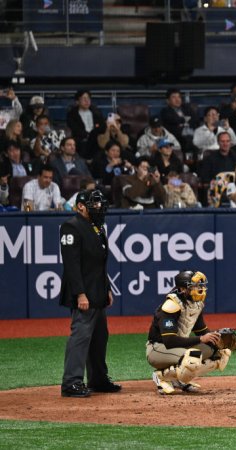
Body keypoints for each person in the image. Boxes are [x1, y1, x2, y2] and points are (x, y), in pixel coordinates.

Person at [59, 189, 121, 397]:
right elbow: (72, 265)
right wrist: (79, 294)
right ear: (80, 206)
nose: (99, 207)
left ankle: (98, 379)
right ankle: (71, 382)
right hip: (84, 293)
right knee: (81, 336)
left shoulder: (97, 228)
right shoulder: (71, 227)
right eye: (94, 204)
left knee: (99, 336)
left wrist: (107, 289)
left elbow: (100, 264)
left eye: (100, 203)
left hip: (98, 292)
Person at [147, 270, 231, 395]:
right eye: (195, 286)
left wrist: (217, 338)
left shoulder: (195, 304)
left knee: (218, 352)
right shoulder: (171, 306)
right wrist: (201, 339)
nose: (200, 289)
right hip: (158, 349)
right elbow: (169, 341)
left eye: (201, 285)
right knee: (192, 358)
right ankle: (161, 376)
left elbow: (201, 331)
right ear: (182, 289)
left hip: (178, 347)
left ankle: (178, 380)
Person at [66, 90, 105, 160]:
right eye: (84, 99)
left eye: (88, 98)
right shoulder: (72, 114)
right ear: (77, 102)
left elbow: (102, 126)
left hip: (96, 138)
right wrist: (88, 135)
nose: (87, 101)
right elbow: (75, 129)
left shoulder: (96, 112)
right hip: (82, 139)